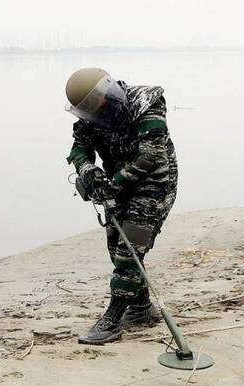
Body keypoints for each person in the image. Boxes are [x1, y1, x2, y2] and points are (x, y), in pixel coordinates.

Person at [65, 67, 178, 345]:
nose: (99, 110)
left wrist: (113, 185)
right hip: (116, 184)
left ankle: (112, 320)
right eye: (91, 108)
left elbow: (150, 156)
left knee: (129, 250)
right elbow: (79, 149)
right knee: (116, 247)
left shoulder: (146, 103)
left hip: (154, 183)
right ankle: (140, 308)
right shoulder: (88, 119)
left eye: (101, 102)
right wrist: (87, 169)